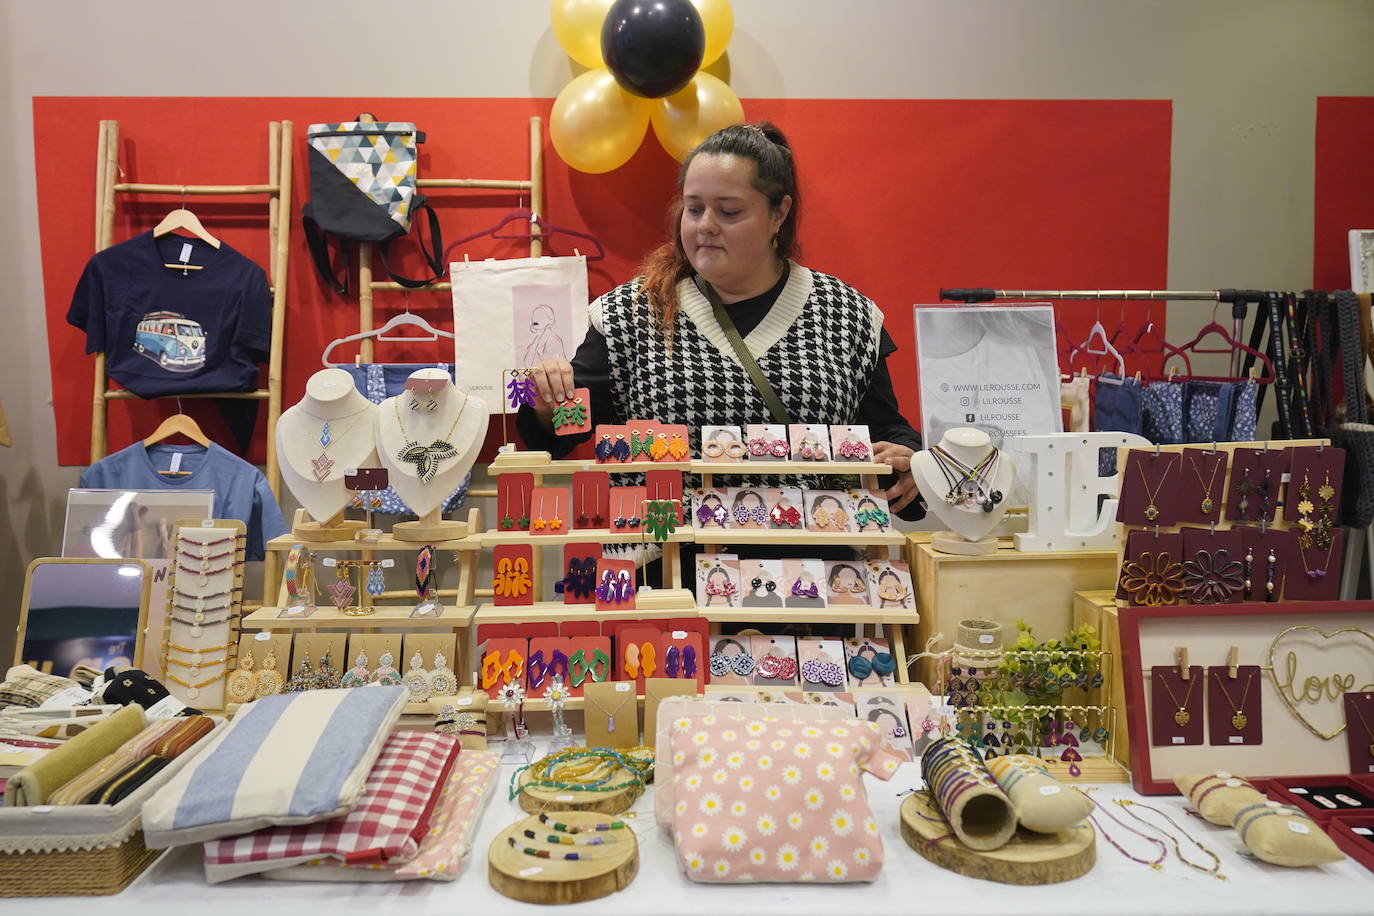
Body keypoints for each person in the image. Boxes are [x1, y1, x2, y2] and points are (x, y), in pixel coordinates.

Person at [517, 121, 924, 519]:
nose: (705, 226)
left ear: (779, 213)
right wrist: (544, 399)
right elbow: (559, 436)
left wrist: (907, 461)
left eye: (729, 211)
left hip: (814, 570)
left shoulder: (845, 315)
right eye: (694, 209)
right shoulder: (631, 313)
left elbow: (887, 431)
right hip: (669, 569)